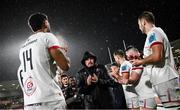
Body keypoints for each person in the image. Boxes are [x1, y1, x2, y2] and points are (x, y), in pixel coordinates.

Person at [17, 12, 70, 110]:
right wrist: (63, 53)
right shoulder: (47, 36)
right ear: (45, 23)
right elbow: (65, 66)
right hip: (50, 100)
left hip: (30, 102)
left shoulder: (23, 46)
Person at [132, 11, 180, 108]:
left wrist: (140, 62)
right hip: (161, 80)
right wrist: (143, 60)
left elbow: (157, 56)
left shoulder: (153, 33)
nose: (139, 27)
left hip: (165, 79)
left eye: (139, 24)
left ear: (143, 22)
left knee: (172, 108)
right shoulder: (156, 32)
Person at [121, 45, 159, 110]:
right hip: (154, 94)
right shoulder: (145, 61)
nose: (129, 58)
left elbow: (132, 80)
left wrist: (119, 77)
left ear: (138, 53)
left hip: (146, 97)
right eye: (128, 57)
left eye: (130, 56)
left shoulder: (137, 63)